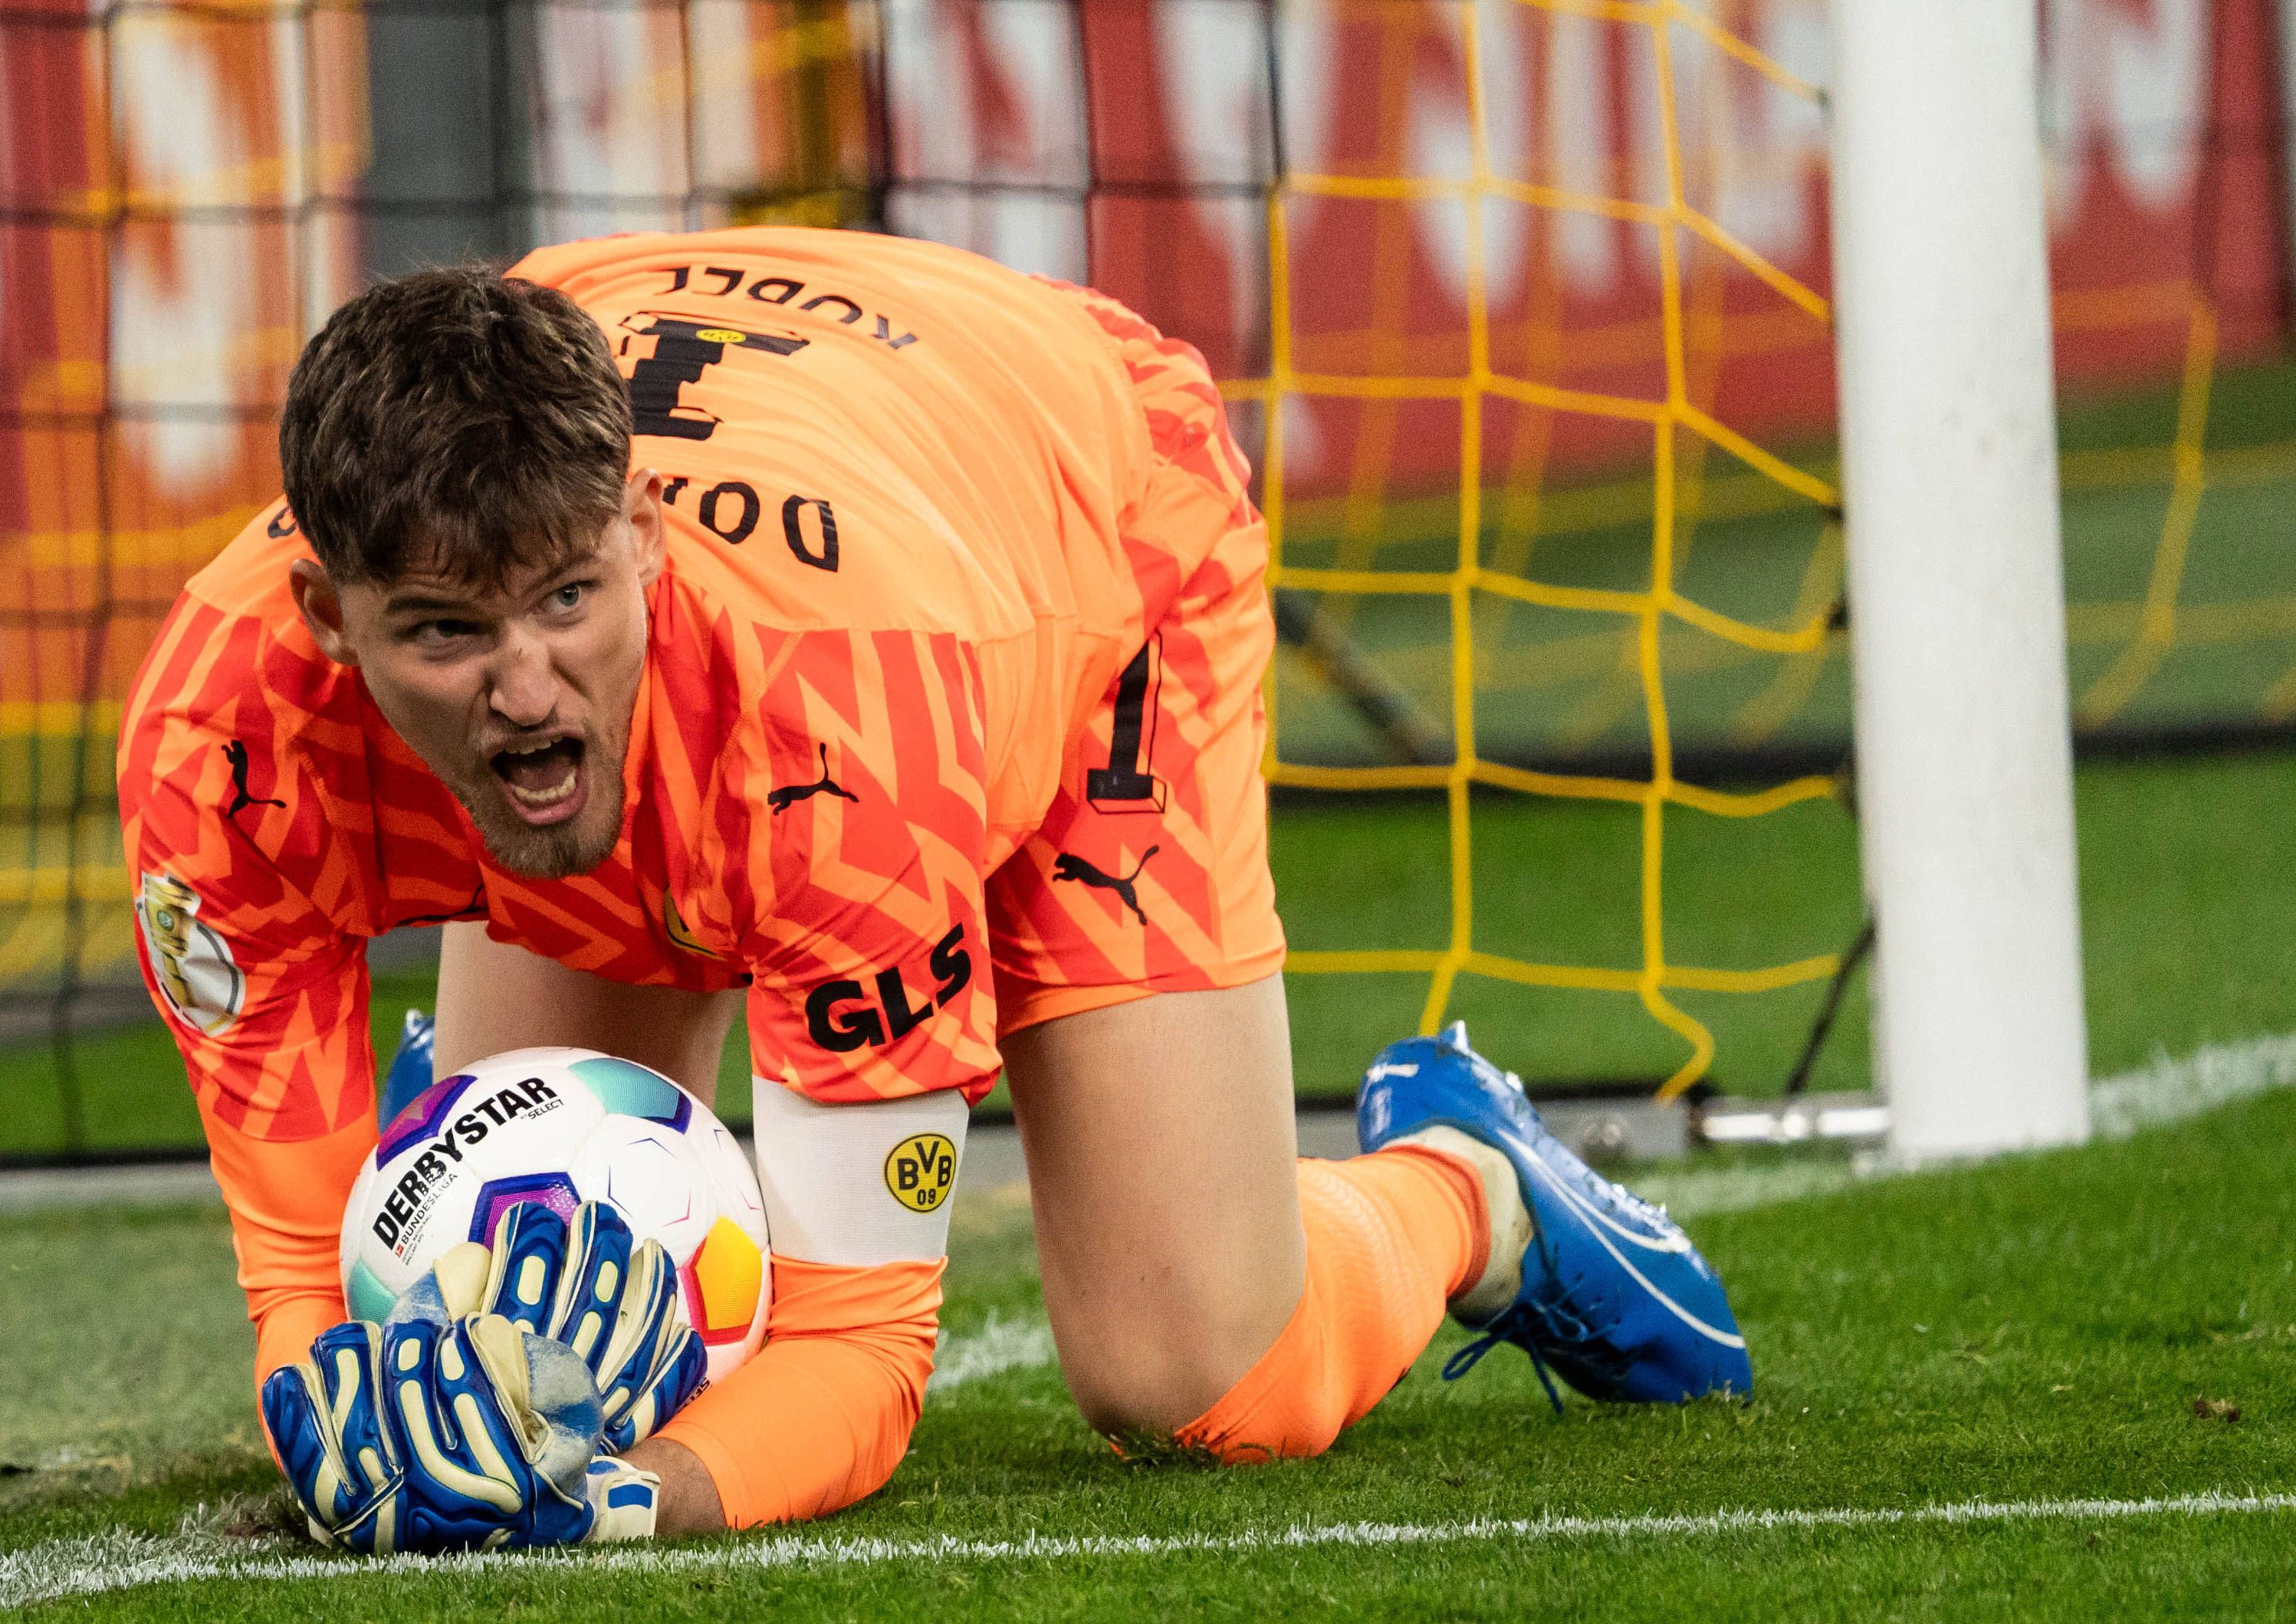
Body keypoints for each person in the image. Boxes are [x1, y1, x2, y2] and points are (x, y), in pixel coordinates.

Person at [116, 228, 1749, 1550]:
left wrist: (625, 1504)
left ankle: (1475, 1187)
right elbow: (303, 1297)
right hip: (790, 477)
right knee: (452, 1278)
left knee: (1193, 1373)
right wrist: (332, 1397)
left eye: (564, 601)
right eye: (444, 634)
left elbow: (859, 1354)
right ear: (327, 617)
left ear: (642, 535)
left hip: (1077, 527)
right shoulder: (215, 758)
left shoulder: (839, 734)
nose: (526, 686)